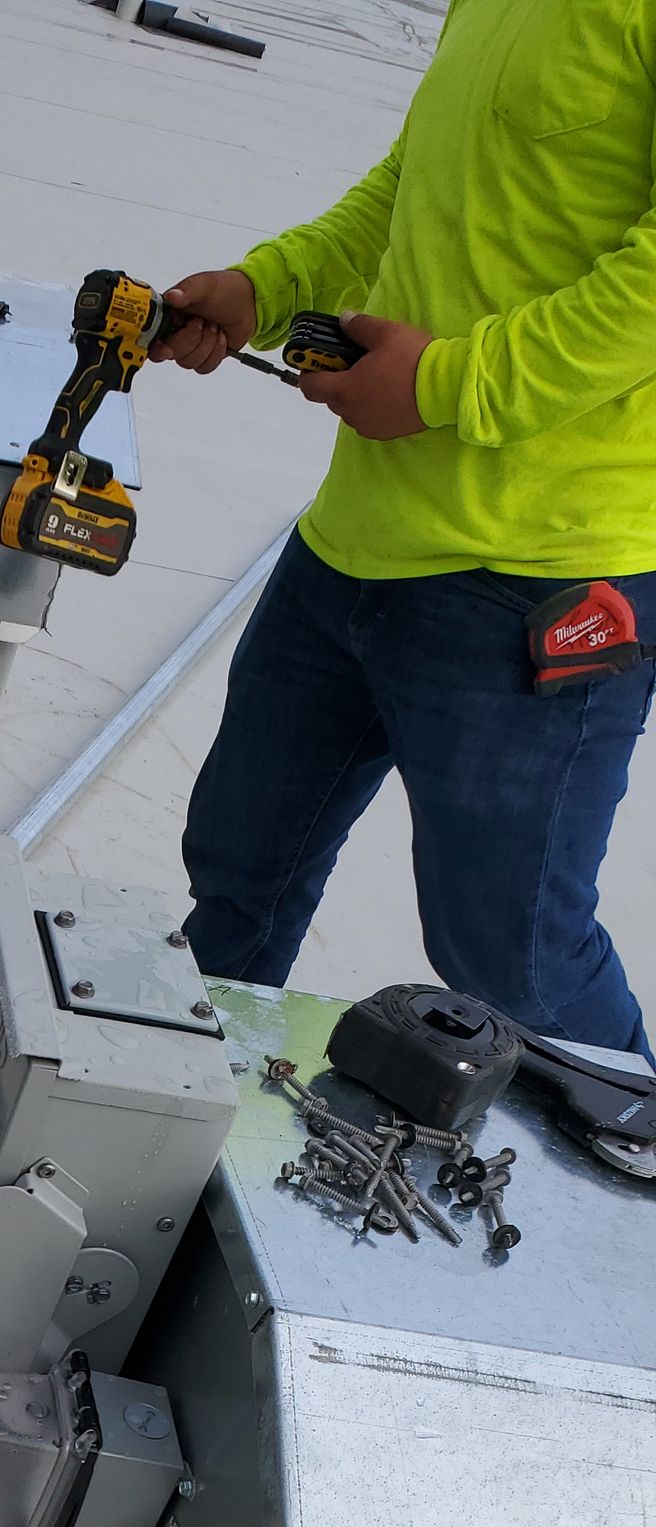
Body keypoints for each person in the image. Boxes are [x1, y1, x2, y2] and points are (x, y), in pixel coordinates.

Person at [153, 0, 656, 1056]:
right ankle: (180, 1145)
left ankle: (632, 1166)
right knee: (239, 868)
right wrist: (267, 288)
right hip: (354, 542)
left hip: (538, 577)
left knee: (515, 962)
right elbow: (411, 191)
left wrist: (444, 383)